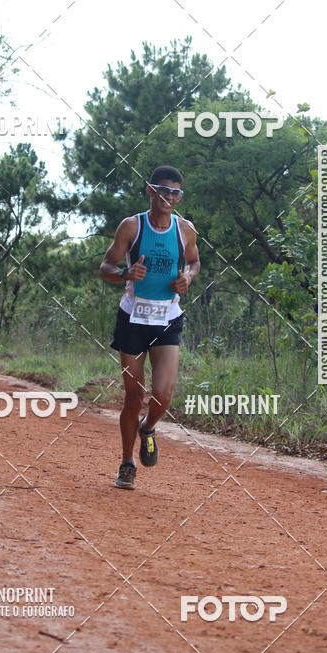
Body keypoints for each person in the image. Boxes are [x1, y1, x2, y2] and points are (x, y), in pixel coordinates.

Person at [100, 166, 200, 490]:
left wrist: (188, 277)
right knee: (133, 395)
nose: (169, 198)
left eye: (175, 193)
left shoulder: (185, 230)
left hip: (167, 317)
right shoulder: (132, 226)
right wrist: (126, 274)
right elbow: (105, 267)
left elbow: (195, 262)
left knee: (163, 394)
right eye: (163, 191)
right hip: (133, 318)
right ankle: (127, 462)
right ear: (150, 190)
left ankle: (148, 427)